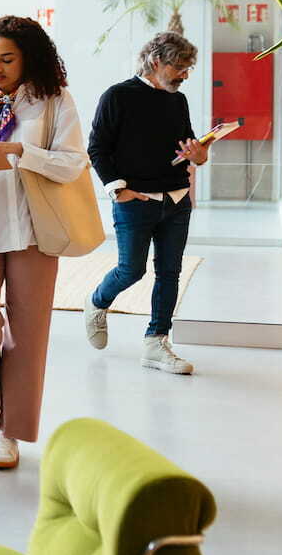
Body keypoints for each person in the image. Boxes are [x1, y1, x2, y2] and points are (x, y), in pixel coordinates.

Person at [0, 17, 88, 470]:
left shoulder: (54, 103)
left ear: (29, 58)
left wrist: (25, 154)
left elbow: (73, 164)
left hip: (33, 230)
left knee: (27, 335)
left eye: (7, 58)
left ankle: (10, 433)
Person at [83, 32, 209, 375]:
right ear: (156, 61)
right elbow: (97, 148)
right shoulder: (118, 96)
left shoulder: (176, 100)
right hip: (135, 201)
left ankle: (156, 341)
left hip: (177, 199)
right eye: (179, 67)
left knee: (170, 272)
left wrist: (199, 154)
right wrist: (117, 189)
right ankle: (96, 302)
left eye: (188, 68)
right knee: (132, 270)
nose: (184, 74)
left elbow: (187, 145)